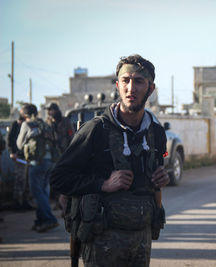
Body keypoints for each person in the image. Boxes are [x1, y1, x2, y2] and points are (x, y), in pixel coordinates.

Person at [50, 54, 169, 267]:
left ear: (151, 89)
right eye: (126, 80)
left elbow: (159, 164)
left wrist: (161, 176)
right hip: (101, 241)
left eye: (139, 81)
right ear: (117, 85)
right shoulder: (95, 130)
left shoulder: (156, 132)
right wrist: (103, 184)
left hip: (141, 239)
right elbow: (59, 179)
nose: (131, 88)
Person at [16, 103, 59, 232]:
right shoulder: (44, 124)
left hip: (37, 162)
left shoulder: (27, 124)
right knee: (44, 191)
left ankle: (49, 219)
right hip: (50, 161)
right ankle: (41, 221)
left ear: (25, 114)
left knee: (37, 192)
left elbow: (19, 145)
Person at [6, 104, 30, 208]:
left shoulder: (28, 125)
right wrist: (12, 152)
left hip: (26, 157)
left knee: (26, 181)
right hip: (18, 156)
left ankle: (24, 202)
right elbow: (10, 140)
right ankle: (17, 202)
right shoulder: (15, 125)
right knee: (19, 180)